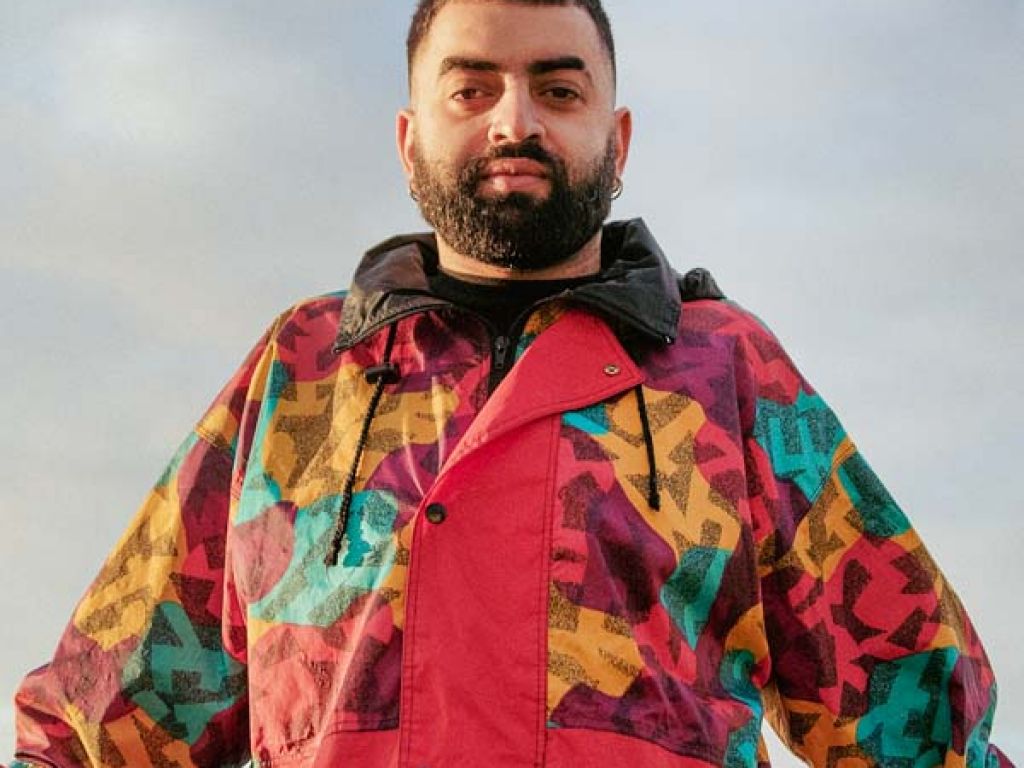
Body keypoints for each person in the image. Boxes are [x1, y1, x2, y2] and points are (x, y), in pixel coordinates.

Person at [8, 1, 1012, 766]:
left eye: (559, 90)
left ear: (617, 140)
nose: (513, 122)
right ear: (410, 139)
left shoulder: (729, 373)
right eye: (472, 89)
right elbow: (96, 729)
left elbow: (925, 729)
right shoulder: (302, 371)